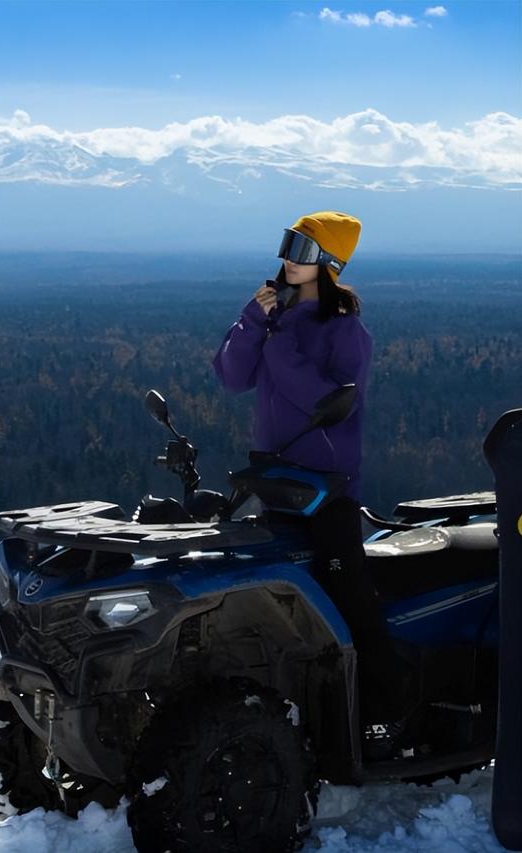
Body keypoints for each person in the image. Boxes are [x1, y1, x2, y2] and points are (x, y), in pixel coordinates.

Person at [212, 211, 409, 759]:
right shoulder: (274, 318)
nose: (287, 259)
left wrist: (277, 341)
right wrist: (254, 319)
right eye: (287, 244)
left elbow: (325, 401)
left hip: (326, 487)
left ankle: (384, 712)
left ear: (329, 262)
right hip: (273, 479)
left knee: (350, 597)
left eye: (301, 248)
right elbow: (230, 377)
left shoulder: (347, 331)